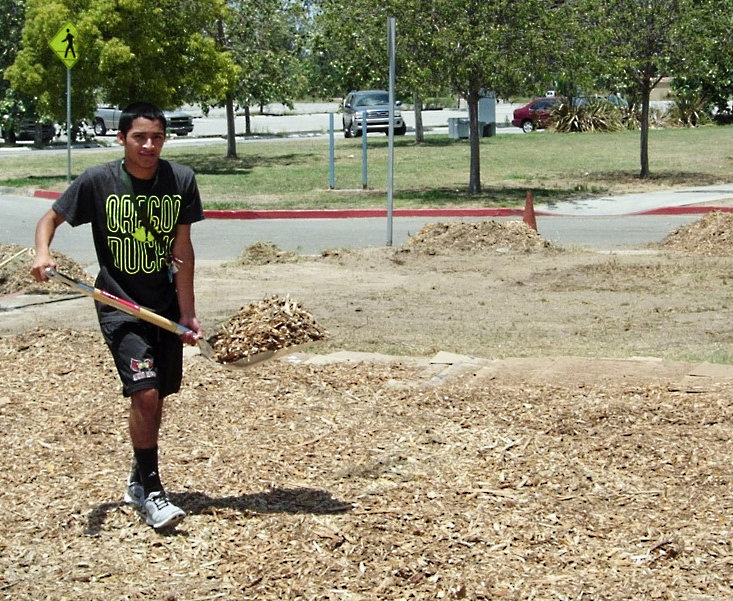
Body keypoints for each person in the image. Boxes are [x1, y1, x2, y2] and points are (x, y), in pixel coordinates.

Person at [30, 101, 205, 529]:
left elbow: (182, 250)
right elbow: (49, 219)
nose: (148, 145)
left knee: (156, 397)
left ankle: (138, 474)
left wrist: (188, 312)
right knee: (143, 392)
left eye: (157, 137)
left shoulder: (181, 180)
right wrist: (42, 252)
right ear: (121, 138)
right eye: (139, 137)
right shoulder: (99, 181)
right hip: (118, 304)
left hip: (162, 307)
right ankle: (153, 492)